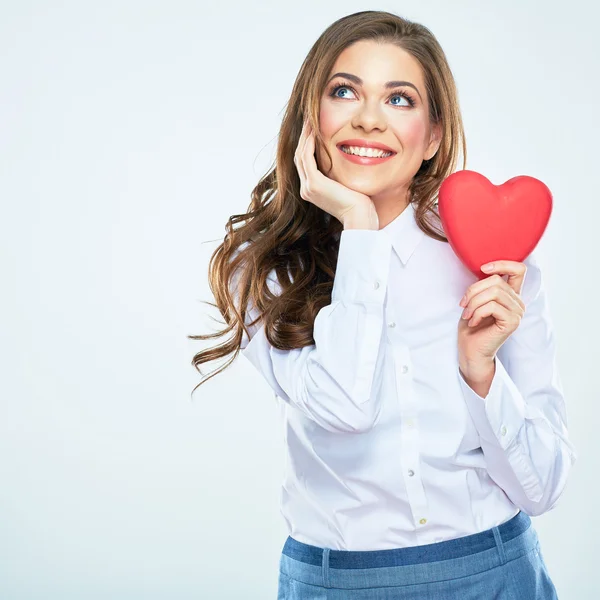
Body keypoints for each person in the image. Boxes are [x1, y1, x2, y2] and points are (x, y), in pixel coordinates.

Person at [191, 10, 577, 599]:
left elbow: (543, 488)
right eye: (344, 92)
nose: (368, 119)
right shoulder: (262, 268)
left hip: (495, 574)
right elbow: (346, 406)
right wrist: (359, 227)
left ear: (434, 135)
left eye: (399, 99)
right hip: (337, 583)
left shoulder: (495, 259)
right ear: (310, 119)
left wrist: (481, 375)